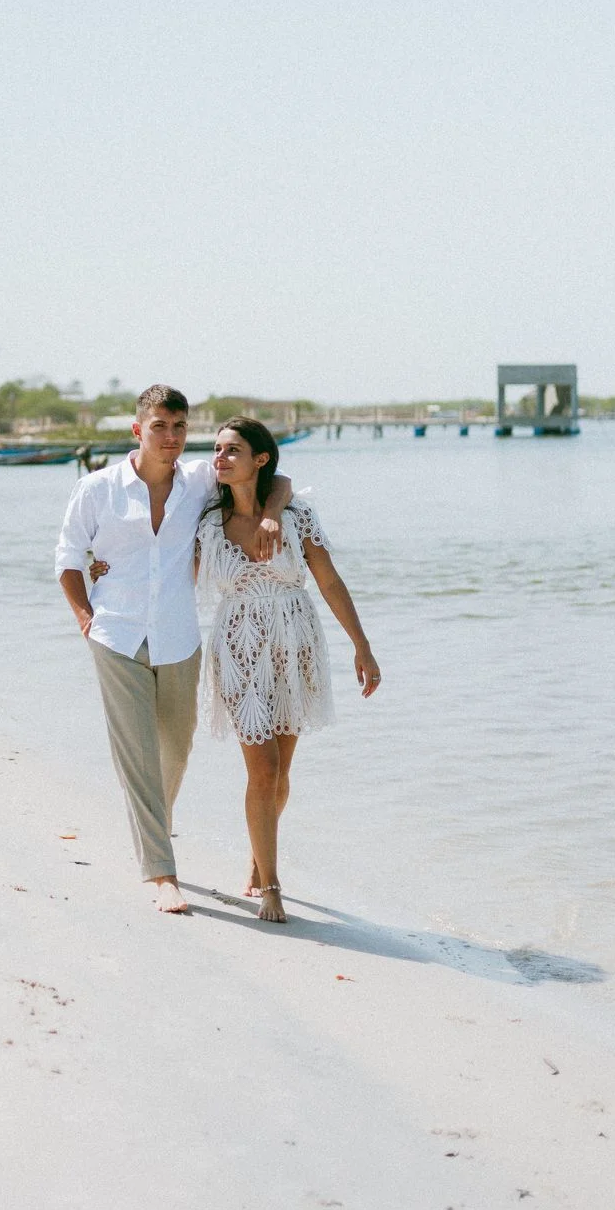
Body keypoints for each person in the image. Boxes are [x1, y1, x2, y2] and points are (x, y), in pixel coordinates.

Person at [55, 385, 292, 915]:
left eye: (180, 426)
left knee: (176, 751)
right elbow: (68, 557)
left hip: (180, 639)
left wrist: (273, 513)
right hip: (116, 636)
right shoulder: (97, 489)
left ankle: (151, 833)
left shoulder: (201, 482)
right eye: (160, 426)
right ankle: (163, 874)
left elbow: (277, 479)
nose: (171, 436)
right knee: (138, 755)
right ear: (138, 430)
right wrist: (85, 617)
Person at [197, 418, 381, 923]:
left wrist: (362, 646)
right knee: (263, 769)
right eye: (217, 449)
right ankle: (271, 885)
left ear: (260, 459)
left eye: (232, 450)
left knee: (281, 772)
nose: (219, 457)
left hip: (295, 644)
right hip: (238, 646)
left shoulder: (297, 514)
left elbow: (329, 581)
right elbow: (170, 573)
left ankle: (260, 855)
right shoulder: (206, 520)